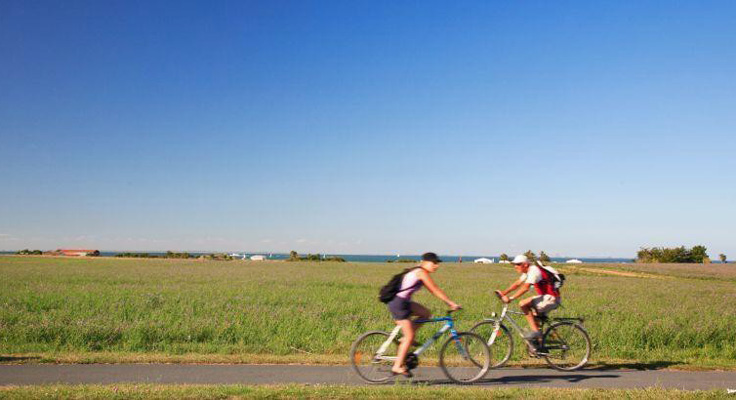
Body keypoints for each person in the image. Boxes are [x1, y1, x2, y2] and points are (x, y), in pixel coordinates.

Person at [386, 252, 461, 377]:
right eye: (434, 263)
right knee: (410, 336)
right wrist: (450, 303)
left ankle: (405, 338)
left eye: (437, 263)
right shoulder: (421, 272)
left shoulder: (418, 270)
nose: (436, 266)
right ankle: (397, 366)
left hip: (403, 302)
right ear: (426, 262)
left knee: (426, 314)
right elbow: (434, 290)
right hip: (399, 303)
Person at [496, 255, 561, 346]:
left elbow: (525, 288)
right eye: (515, 264)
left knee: (523, 304)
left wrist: (511, 298)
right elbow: (518, 283)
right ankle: (540, 344)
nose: (515, 266)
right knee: (534, 320)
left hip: (551, 299)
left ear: (525, 265)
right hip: (545, 298)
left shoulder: (533, 271)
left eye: (518, 264)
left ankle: (537, 335)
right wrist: (504, 293)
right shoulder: (527, 272)